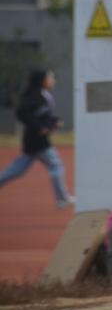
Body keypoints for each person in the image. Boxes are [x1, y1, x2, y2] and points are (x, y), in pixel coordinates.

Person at [0, 70, 73, 209]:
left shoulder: (43, 95)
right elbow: (22, 113)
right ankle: (62, 199)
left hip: (34, 141)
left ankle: (62, 198)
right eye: (50, 77)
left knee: (17, 170)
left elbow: (41, 115)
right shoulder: (34, 95)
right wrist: (39, 127)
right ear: (42, 80)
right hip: (37, 141)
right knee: (56, 165)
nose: (53, 80)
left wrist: (53, 122)